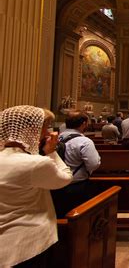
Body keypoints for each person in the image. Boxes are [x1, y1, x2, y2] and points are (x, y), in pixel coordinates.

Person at [0, 105, 72, 267]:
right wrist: (51, 152)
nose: (46, 133)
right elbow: (65, 178)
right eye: (44, 128)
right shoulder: (35, 163)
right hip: (29, 239)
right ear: (30, 130)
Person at [51, 111, 101, 217]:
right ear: (83, 124)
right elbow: (93, 164)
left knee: (57, 215)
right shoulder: (85, 142)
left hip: (54, 186)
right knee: (77, 218)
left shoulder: (54, 139)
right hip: (76, 187)